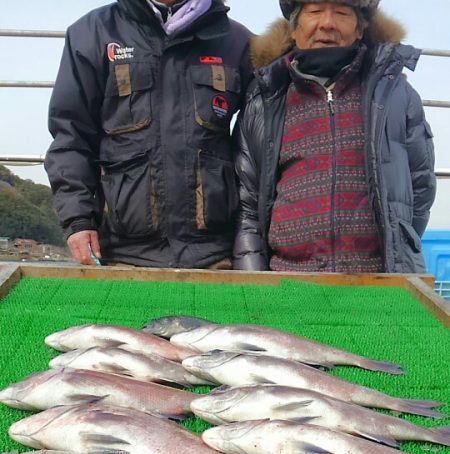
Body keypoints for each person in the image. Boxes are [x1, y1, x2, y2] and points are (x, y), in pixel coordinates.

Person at [45, 0, 253, 269]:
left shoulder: (238, 42)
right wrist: (78, 220)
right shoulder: (91, 33)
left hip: (218, 255)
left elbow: (259, 147)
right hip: (122, 254)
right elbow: (70, 135)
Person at [233, 0, 436, 273]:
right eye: (314, 11)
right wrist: (254, 285)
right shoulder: (265, 99)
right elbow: (248, 206)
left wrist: (397, 248)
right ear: (293, 29)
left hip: (377, 282)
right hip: (287, 283)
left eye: (341, 12)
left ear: (360, 29)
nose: (327, 23)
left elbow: (420, 187)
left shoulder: (395, 94)